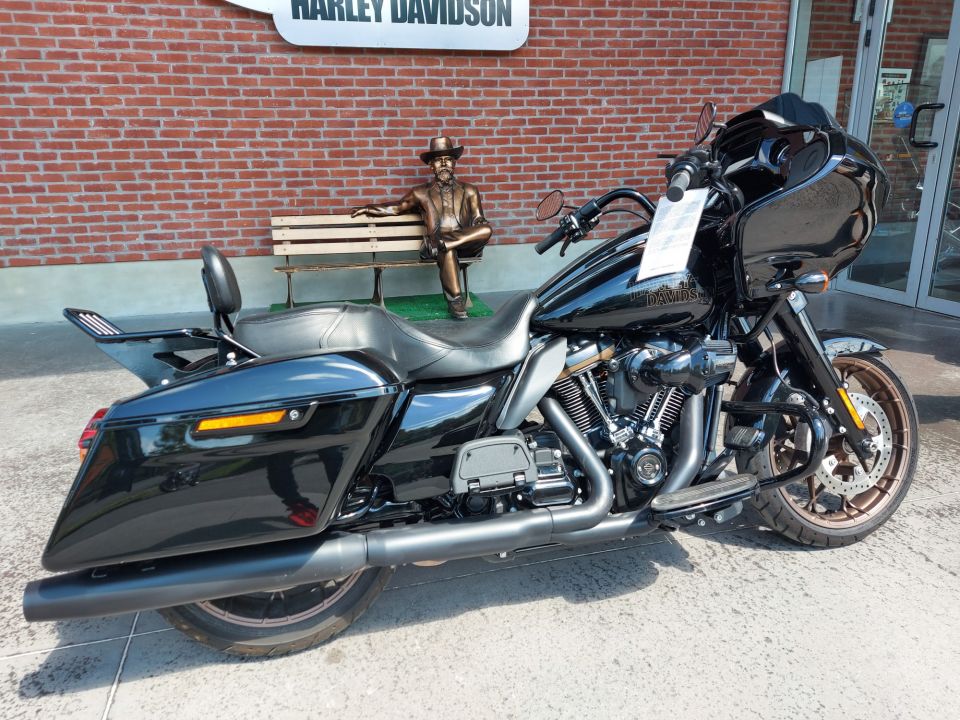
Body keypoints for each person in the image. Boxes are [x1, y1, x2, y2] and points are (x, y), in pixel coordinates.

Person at [351, 136, 492, 320]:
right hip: (435, 246)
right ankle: (455, 301)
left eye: (448, 159)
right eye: (438, 160)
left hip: (466, 243)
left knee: (486, 229)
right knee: (447, 249)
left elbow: (479, 219)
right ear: (431, 166)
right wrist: (368, 208)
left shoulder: (470, 190)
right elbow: (396, 207)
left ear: (454, 163)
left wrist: (480, 225)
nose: (444, 164)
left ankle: (446, 243)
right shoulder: (421, 192)